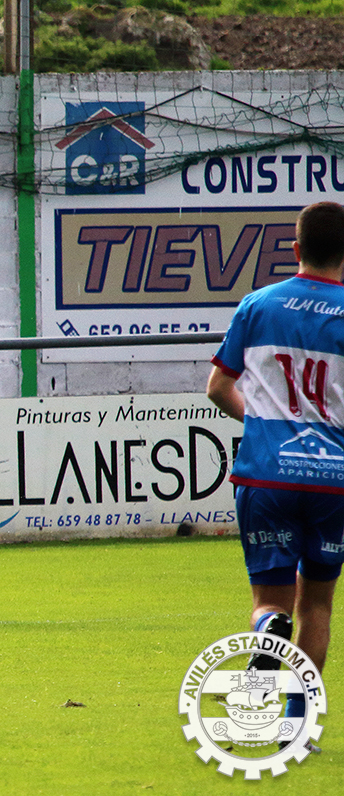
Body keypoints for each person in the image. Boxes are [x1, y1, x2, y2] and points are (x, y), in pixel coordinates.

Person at [207, 200, 344, 747]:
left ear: (295, 248)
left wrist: (266, 425)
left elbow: (218, 388)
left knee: (271, 602)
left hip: (266, 476)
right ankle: (297, 724)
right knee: (318, 603)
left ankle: (267, 630)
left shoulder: (258, 304)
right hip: (333, 479)